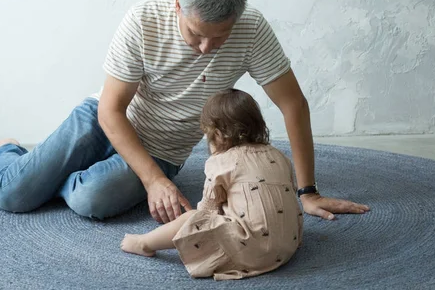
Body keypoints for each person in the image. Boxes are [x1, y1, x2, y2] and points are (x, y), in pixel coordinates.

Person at [0, 0, 369, 222]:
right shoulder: (143, 20)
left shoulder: (252, 29)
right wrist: (153, 183)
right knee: (11, 195)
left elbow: (293, 103)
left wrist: (307, 191)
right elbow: (112, 112)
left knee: (91, 200)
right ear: (177, 8)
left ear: (236, 20)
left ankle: (55, 174)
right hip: (103, 121)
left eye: (218, 38)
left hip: (164, 147)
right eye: (195, 34)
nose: (205, 48)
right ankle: (4, 149)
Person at [122, 89, 304, 280]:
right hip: (287, 245)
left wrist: (198, 222)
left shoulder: (221, 162)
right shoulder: (280, 156)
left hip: (251, 250)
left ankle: (144, 243)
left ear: (217, 134)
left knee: (193, 218)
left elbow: (207, 210)